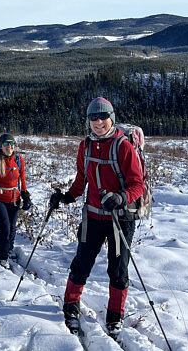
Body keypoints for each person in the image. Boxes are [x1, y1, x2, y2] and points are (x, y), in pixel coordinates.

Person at [49, 97, 145, 338]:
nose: (98, 122)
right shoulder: (86, 146)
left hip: (120, 218)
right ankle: (70, 307)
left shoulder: (123, 146)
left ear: (111, 118)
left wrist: (121, 197)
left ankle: (115, 316)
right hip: (92, 216)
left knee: (118, 269)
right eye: (93, 118)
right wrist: (66, 197)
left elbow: (137, 184)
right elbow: (82, 179)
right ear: (88, 121)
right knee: (81, 264)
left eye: (103, 117)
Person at [0, 132, 32, 267]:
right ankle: (2, 256)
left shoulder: (19, 160)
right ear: (1, 145)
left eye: (11, 144)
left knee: (12, 226)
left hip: (14, 199)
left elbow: (22, 179)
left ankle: (9, 249)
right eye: (5, 144)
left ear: (14, 145)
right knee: (4, 226)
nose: (9, 146)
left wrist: (25, 195)